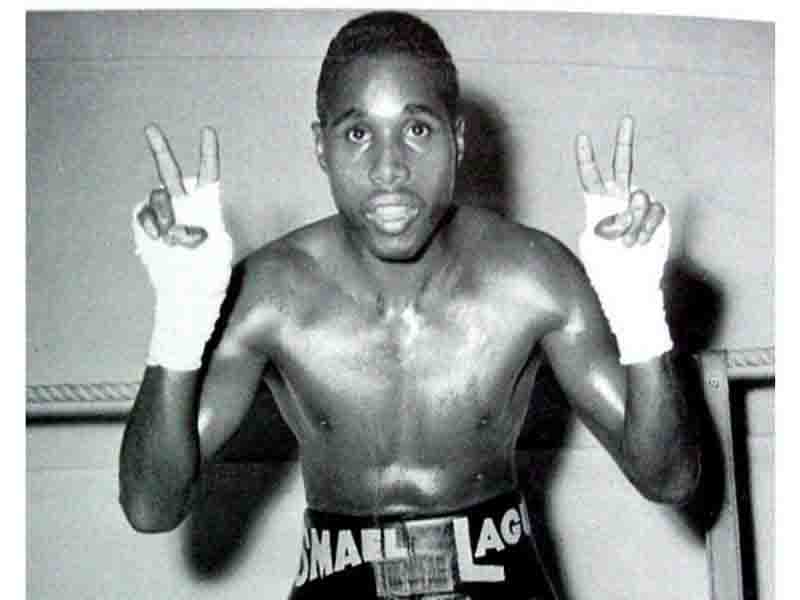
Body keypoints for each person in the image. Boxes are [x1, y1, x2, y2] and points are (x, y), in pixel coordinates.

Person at [119, 11, 701, 600]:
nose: (389, 169)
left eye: (417, 129)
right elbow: (150, 507)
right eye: (358, 133)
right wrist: (180, 318)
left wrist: (638, 312)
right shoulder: (270, 293)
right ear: (320, 146)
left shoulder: (534, 278)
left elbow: (670, 479)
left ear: (458, 139)